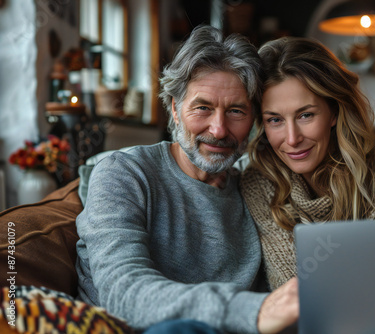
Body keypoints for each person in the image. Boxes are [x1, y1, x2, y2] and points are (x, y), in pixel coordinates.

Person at [75, 25, 298, 334]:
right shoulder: (124, 173)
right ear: (175, 109)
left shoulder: (257, 190)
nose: (219, 129)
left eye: (236, 111)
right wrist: (254, 310)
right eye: (202, 108)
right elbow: (123, 292)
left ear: (253, 121)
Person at [240, 36, 375, 291]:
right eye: (275, 120)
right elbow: (298, 294)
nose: (292, 139)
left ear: (334, 112)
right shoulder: (261, 184)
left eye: (306, 115)